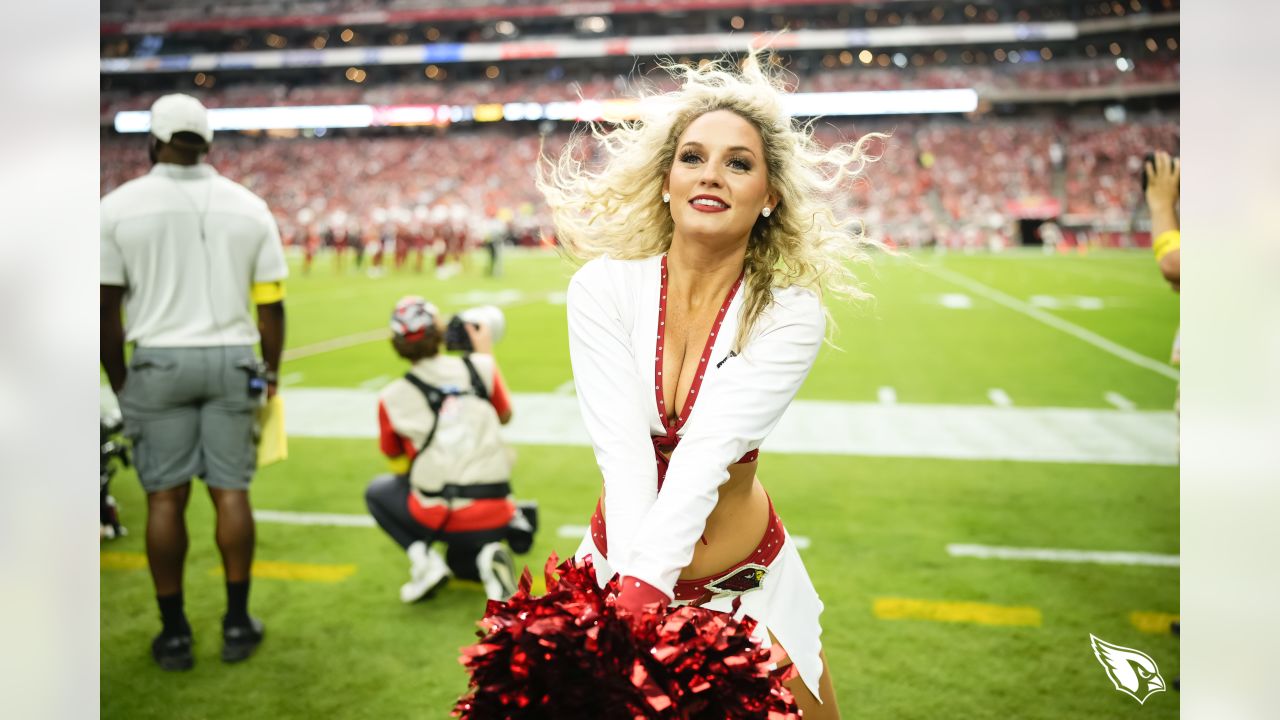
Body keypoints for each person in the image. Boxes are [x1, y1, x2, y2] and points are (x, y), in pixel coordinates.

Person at [539, 51, 884, 719]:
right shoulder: (603, 289)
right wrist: (634, 599)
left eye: (739, 163)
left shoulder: (790, 311)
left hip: (747, 583)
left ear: (769, 196)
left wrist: (646, 591)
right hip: (618, 570)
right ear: (666, 180)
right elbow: (625, 457)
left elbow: (706, 453)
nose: (712, 175)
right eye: (692, 157)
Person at [100, 93, 287, 670]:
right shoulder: (250, 205)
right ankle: (236, 622)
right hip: (232, 356)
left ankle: (175, 630)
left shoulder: (116, 207)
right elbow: (271, 308)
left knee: (164, 497)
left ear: (153, 141)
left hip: (157, 357)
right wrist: (271, 372)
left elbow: (106, 309)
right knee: (231, 492)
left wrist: (122, 378)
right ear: (207, 141)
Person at [365, 296, 532, 603]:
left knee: (379, 491)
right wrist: (486, 356)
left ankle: (425, 561)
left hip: (439, 515)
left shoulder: (391, 397)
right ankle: (487, 554)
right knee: (462, 562)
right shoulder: (480, 367)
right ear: (439, 331)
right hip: (498, 510)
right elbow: (505, 415)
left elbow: (398, 463)